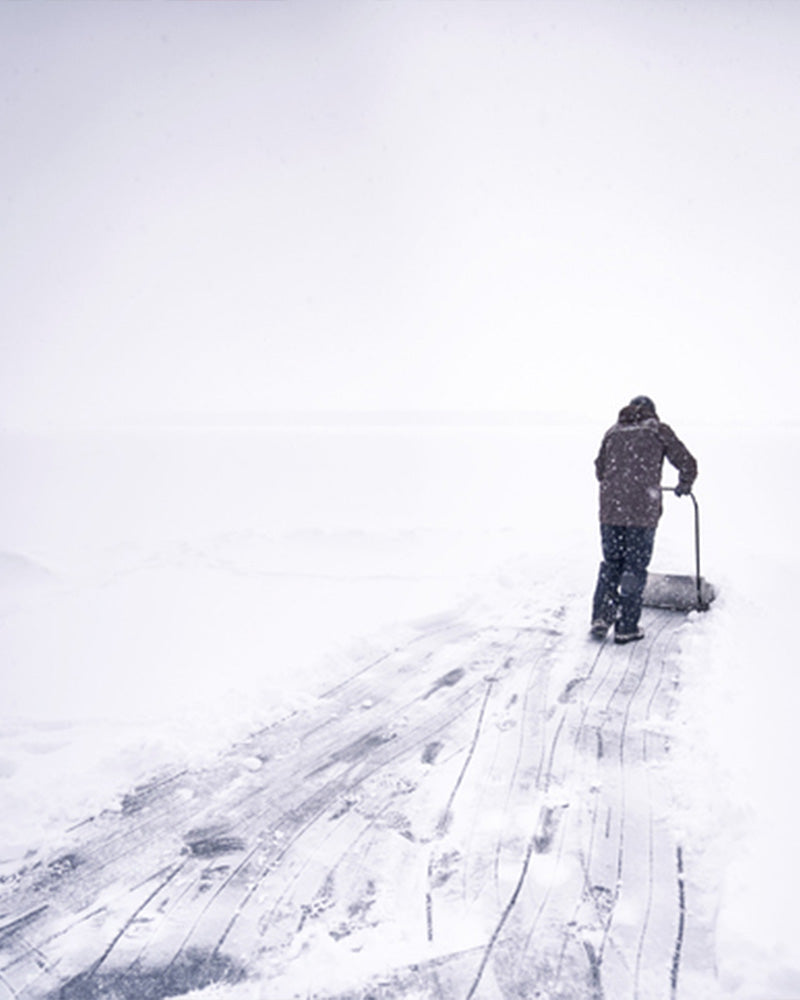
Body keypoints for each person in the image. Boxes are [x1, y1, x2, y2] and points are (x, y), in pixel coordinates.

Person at [591, 396, 697, 644]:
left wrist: (619, 486)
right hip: (641, 513)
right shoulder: (658, 430)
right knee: (634, 567)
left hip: (610, 512)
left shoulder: (612, 432)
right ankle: (626, 627)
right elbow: (688, 463)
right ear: (652, 412)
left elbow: (599, 470)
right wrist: (683, 486)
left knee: (612, 562)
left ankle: (601, 617)